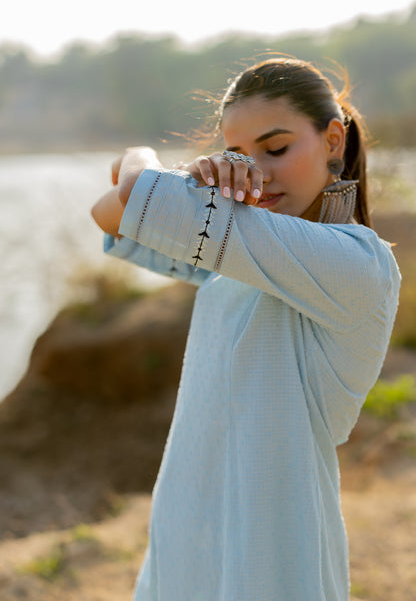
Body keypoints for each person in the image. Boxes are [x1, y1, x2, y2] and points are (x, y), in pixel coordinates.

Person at [91, 58, 400, 601]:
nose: (257, 172)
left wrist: (165, 169)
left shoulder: (357, 263)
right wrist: (189, 178)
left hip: (272, 539)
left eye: (275, 149)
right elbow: (108, 212)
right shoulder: (238, 253)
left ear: (333, 140)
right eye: (238, 156)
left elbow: (135, 187)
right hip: (191, 518)